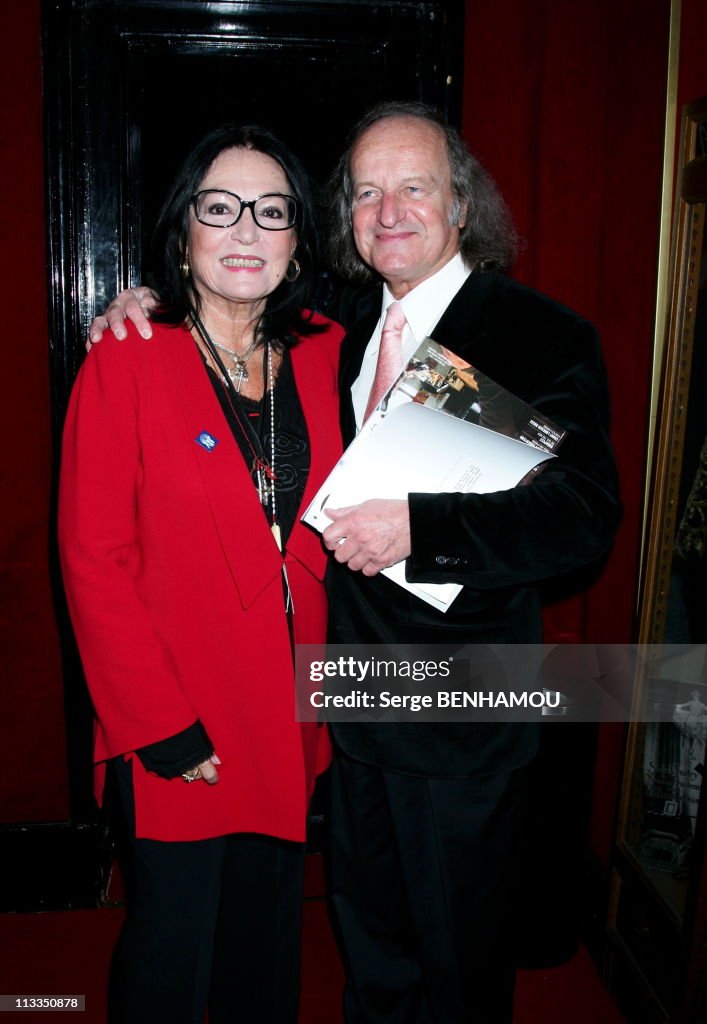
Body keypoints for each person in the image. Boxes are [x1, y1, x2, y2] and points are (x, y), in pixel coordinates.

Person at [88, 101, 621, 1023]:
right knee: (370, 957)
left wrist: (423, 528)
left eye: (414, 187)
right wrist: (138, 302)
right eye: (367, 192)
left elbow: (581, 515)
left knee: (457, 965)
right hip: (343, 717)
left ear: (461, 206)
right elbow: (222, 303)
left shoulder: (536, 335)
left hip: (460, 718)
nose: (389, 212)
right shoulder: (328, 330)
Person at [59, 123, 343, 1024]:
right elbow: (92, 559)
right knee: (172, 958)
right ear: (184, 230)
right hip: (182, 724)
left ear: (299, 237)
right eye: (220, 209)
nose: (246, 231)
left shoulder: (331, 351)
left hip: (290, 716)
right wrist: (158, 727)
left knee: (263, 956)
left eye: (272, 211)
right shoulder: (128, 357)